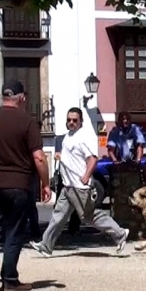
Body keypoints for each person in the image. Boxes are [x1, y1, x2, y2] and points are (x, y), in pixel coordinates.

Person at [0, 79, 51, 291]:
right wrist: (46, 184)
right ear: (21, 98)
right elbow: (39, 157)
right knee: (14, 231)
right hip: (17, 185)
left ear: (3, 97)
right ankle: (9, 278)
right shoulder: (27, 122)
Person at [30, 108, 129, 258]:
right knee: (59, 215)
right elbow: (72, 157)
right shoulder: (68, 137)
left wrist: (87, 175)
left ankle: (120, 233)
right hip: (68, 185)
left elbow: (93, 159)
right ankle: (46, 245)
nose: (71, 122)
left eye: (75, 120)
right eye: (69, 119)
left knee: (89, 216)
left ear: (81, 122)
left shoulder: (83, 137)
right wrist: (61, 156)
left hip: (80, 187)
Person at [54, 132, 81, 235]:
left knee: (77, 202)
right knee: (60, 203)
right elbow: (57, 155)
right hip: (64, 175)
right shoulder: (60, 138)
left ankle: (74, 227)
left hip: (76, 175)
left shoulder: (80, 139)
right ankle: (56, 228)